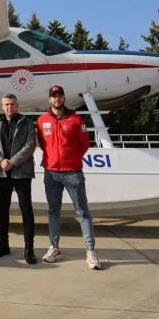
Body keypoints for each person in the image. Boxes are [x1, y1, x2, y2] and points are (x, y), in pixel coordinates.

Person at [36, 85, 101, 269]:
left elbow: (84, 143)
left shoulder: (75, 119)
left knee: (82, 212)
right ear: (49, 100)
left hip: (73, 173)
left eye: (59, 96)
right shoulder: (42, 120)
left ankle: (90, 251)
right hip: (51, 173)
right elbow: (42, 143)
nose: (57, 99)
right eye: (53, 96)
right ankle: (54, 247)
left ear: (64, 98)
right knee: (53, 212)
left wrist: (71, 159)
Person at [0, 93, 38, 264]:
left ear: (17, 106)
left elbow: (30, 145)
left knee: (26, 210)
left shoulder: (27, 123)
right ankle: (3, 245)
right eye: (6, 104)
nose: (9, 107)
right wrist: (1, 161)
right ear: (3, 107)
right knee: (2, 210)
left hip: (21, 172)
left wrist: (13, 162)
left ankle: (29, 249)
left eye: (12, 104)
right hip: (3, 173)